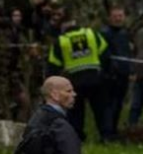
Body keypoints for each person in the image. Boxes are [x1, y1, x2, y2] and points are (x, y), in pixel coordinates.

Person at [47, 13, 111, 142]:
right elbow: (105, 53)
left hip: (74, 81)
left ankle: (78, 138)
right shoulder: (91, 34)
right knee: (101, 110)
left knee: (76, 112)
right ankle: (106, 136)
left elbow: (53, 65)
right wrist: (105, 73)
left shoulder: (61, 41)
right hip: (95, 78)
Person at [100, 6, 132, 137]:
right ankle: (107, 133)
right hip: (110, 75)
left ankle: (113, 130)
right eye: (115, 16)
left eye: (120, 16)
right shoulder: (104, 33)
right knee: (108, 105)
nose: (118, 19)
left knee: (118, 104)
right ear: (110, 18)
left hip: (124, 75)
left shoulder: (124, 34)